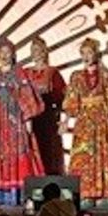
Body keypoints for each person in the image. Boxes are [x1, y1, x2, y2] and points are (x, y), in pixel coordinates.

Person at [0, 40, 42, 205]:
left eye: (7, 52)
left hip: (14, 124)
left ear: (12, 53)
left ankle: (16, 196)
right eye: (1, 52)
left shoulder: (20, 73)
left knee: (17, 155)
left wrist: (27, 119)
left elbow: (28, 97)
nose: (4, 56)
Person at [64, 39, 108, 202]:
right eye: (83, 53)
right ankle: (85, 191)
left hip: (101, 119)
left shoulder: (105, 74)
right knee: (84, 155)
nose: (86, 56)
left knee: (103, 152)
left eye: (89, 53)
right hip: (84, 121)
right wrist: (65, 121)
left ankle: (105, 191)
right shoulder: (76, 76)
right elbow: (72, 100)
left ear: (96, 54)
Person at [25, 37, 67, 176]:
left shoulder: (52, 72)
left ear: (44, 52)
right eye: (33, 50)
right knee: (29, 148)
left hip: (47, 116)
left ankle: (50, 180)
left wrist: (63, 119)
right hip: (30, 116)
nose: (35, 53)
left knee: (49, 150)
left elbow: (62, 96)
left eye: (38, 50)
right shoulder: (26, 73)